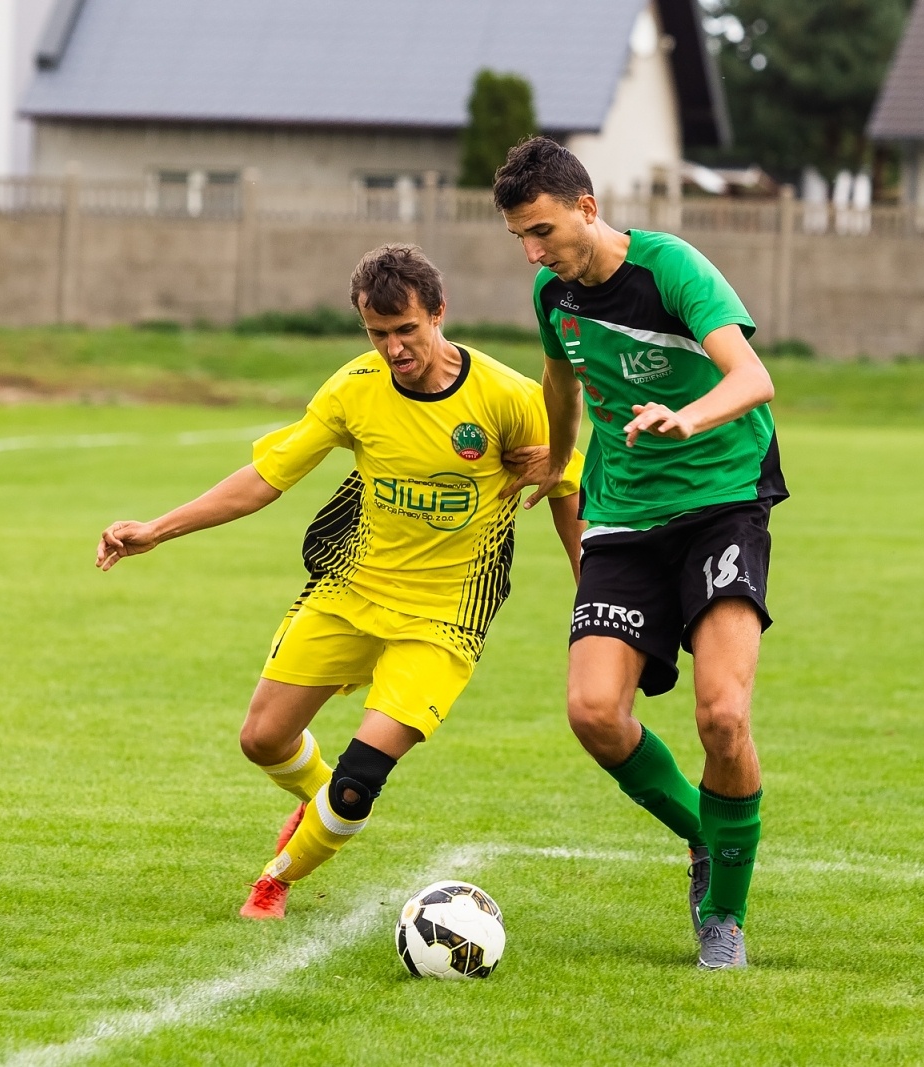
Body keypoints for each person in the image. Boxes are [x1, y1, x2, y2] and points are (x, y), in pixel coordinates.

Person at [96, 244, 584, 919]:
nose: (393, 347)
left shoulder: (508, 398)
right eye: (378, 333)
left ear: (438, 313)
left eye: (406, 329)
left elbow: (569, 486)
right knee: (261, 739)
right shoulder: (355, 388)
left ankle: (275, 879)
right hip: (350, 591)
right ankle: (320, 799)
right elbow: (264, 479)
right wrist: (158, 528)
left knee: (360, 782)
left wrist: (594, 592)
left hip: (443, 620)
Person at [492, 137, 787, 969]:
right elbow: (561, 383)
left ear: (587, 207)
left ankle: (722, 917)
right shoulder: (552, 295)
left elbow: (751, 376)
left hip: (722, 501)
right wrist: (556, 458)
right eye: (521, 237)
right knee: (593, 713)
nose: (534, 251)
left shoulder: (672, 269)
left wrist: (685, 417)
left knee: (722, 714)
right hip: (621, 511)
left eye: (543, 230)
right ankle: (712, 835)